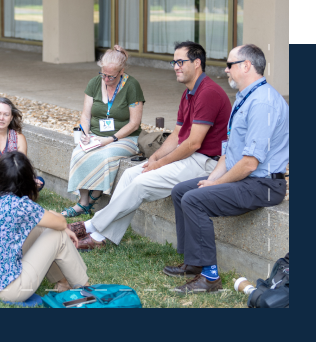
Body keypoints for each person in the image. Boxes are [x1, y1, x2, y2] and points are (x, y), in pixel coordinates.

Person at [69, 41, 232, 251]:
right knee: (130, 175)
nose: (175, 66)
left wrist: (161, 162)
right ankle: (100, 237)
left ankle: (90, 226)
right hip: (190, 157)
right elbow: (177, 134)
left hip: (206, 162)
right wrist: (155, 158)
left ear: (197, 62)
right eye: (174, 62)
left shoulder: (208, 92)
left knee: (141, 184)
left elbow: (193, 143)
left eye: (181, 62)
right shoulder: (188, 93)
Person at [164, 44, 289, 295]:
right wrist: (211, 179)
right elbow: (229, 152)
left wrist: (216, 185)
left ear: (246, 66)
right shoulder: (245, 97)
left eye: (230, 65)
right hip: (245, 178)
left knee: (194, 200)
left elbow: (250, 163)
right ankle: (195, 262)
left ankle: (210, 278)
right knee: (182, 191)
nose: (226, 70)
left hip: (262, 185)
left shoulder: (263, 103)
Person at [0, 151, 89, 302]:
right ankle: (86, 290)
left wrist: (54, 220)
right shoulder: (20, 205)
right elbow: (61, 222)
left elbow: (43, 221)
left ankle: (63, 282)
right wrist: (59, 220)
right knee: (59, 235)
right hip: (7, 290)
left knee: (39, 228)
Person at [62, 45, 145, 217]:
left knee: (105, 155)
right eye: (103, 74)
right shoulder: (94, 83)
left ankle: (95, 195)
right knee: (79, 152)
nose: (106, 79)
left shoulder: (132, 86)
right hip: (96, 135)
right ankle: (84, 201)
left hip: (125, 138)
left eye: (111, 76)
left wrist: (111, 139)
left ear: (121, 71)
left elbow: (134, 124)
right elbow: (85, 115)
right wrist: (85, 134)